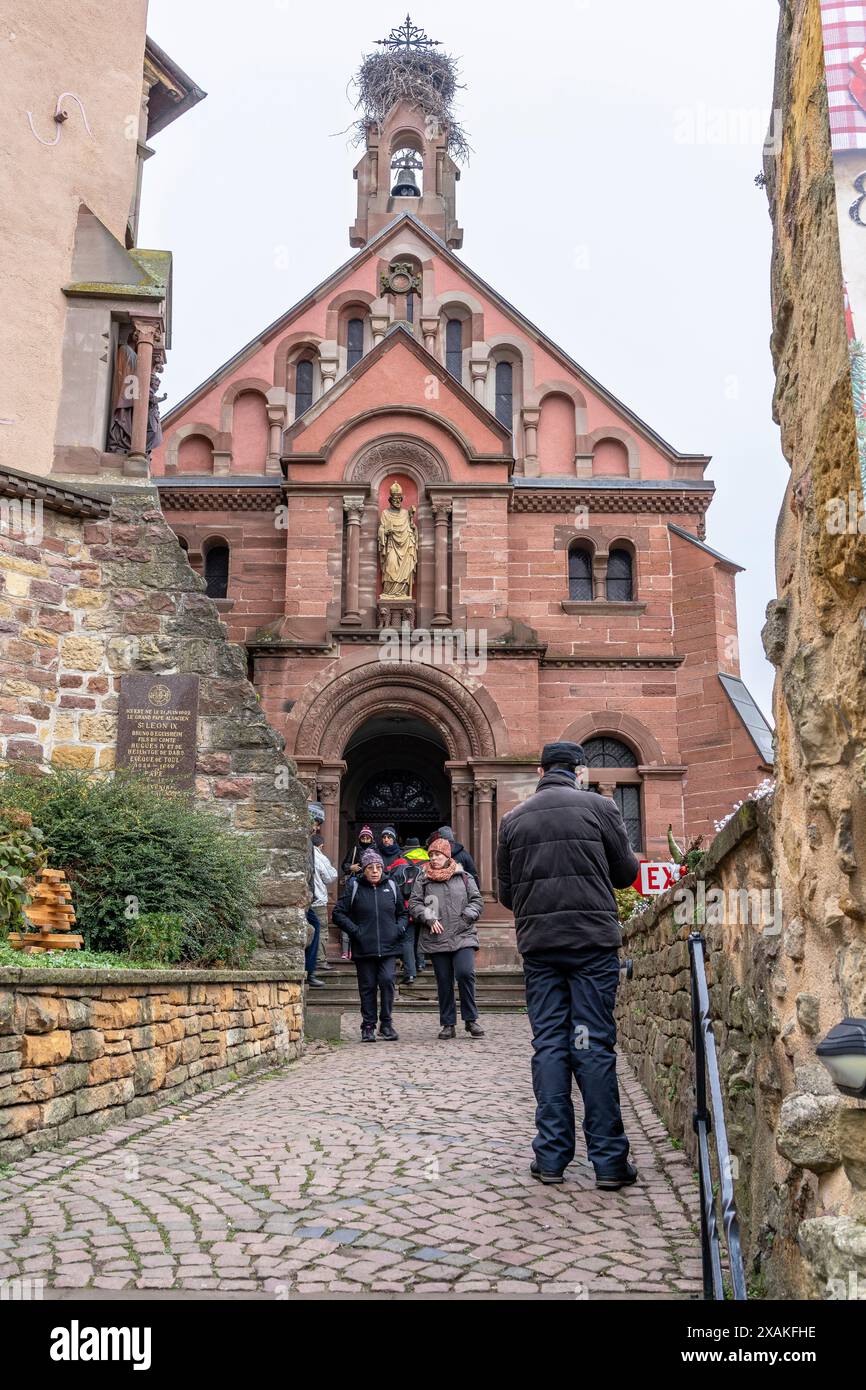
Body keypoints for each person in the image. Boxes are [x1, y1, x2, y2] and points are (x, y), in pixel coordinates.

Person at [496, 741, 640, 1191]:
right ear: (580, 770)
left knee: (551, 1043)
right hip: (592, 945)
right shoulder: (599, 807)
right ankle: (610, 1163)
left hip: (541, 948)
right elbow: (625, 873)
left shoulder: (512, 819)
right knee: (593, 1044)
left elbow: (505, 894)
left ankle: (552, 1157)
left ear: (541, 770)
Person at [409, 837, 485, 1040]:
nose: (434, 858)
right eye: (431, 855)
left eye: (438, 855)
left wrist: (467, 916)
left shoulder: (464, 876)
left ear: (447, 856)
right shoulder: (422, 878)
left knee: (465, 973)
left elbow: (477, 900)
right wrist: (427, 917)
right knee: (444, 981)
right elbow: (414, 903)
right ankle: (448, 1023)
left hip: (463, 934)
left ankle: (471, 1020)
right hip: (437, 937)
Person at [332, 849, 408, 1042]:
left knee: (387, 982)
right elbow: (338, 913)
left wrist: (398, 929)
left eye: (378, 867)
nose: (375, 871)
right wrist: (356, 932)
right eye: (370, 867)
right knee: (367, 987)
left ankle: (387, 1023)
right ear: (364, 869)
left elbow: (403, 913)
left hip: (389, 946)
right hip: (364, 948)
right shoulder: (354, 886)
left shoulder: (391, 886)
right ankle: (368, 1025)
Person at [377, 826, 416, 985]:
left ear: (394, 839)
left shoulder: (402, 857)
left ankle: (408, 971)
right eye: (384, 837)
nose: (386, 840)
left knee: (405, 938)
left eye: (389, 837)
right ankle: (397, 972)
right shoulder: (377, 855)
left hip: (400, 903)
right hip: (389, 903)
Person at [340, 825, 376, 959]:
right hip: (355, 885)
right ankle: (346, 950)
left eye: (368, 838)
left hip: (369, 885)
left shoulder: (375, 851)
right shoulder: (355, 849)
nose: (365, 840)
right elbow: (344, 865)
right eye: (363, 837)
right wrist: (351, 867)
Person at [304, 803, 327, 990]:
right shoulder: (304, 840)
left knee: (315, 926)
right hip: (303, 897)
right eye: (316, 821)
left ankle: (309, 971)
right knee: (316, 926)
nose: (317, 827)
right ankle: (308, 971)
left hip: (307, 897)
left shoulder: (308, 841)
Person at [403, 837, 430, 973]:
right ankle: (421, 963)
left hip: (406, 904)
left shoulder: (401, 861)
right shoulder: (429, 860)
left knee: (408, 938)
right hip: (426, 904)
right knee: (422, 934)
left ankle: (410, 971)